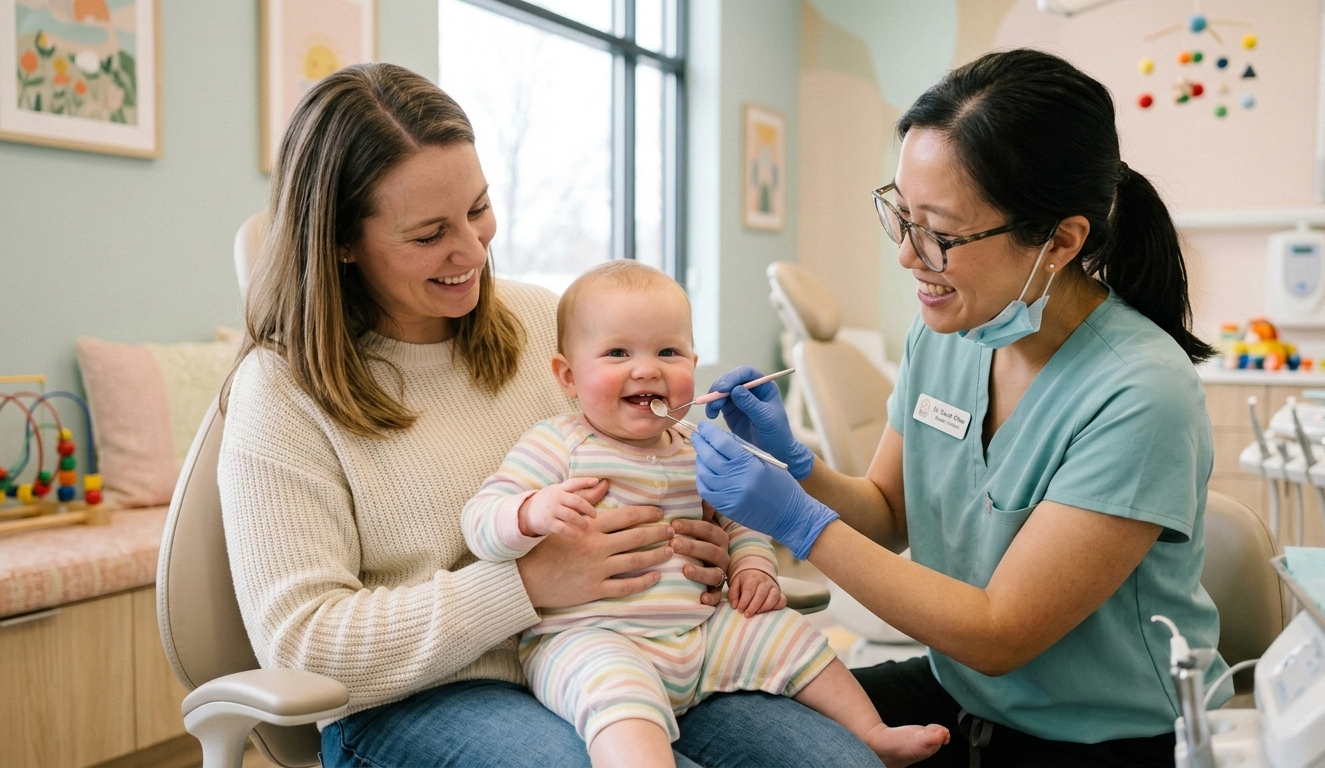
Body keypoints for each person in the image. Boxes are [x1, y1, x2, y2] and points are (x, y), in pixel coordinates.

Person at [219, 62, 882, 768]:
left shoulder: (542, 323)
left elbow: (665, 480)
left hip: (649, 647)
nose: (474, 252)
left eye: (478, 209)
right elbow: (304, 644)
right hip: (420, 696)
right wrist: (526, 585)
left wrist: (713, 552)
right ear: (341, 242)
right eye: (428, 234)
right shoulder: (281, 392)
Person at [690, 49, 1231, 768]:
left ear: (1061, 241)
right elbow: (885, 514)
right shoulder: (948, 331)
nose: (909, 257)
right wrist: (797, 466)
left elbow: (1000, 633)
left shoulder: (1140, 393)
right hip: (967, 696)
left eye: (939, 233)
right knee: (720, 719)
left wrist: (794, 520)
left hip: (1105, 738)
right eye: (901, 216)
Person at [463, 261, 950, 768]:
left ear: (694, 367)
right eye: (617, 353)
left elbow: (742, 521)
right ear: (568, 375)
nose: (647, 368)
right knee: (616, 699)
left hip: (702, 635)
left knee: (785, 631)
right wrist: (529, 512)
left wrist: (754, 566)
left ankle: (870, 733)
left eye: (668, 352)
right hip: (593, 637)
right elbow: (480, 523)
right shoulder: (556, 443)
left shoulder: (696, 447)